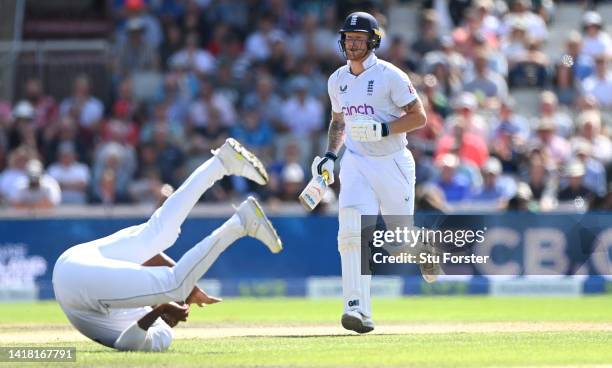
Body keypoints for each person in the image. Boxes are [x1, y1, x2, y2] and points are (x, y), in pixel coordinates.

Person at [52, 139, 282, 351]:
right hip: (73, 266)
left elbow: (127, 343)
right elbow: (151, 269)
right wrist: (170, 301)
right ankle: (221, 165)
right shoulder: (161, 333)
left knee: (169, 270)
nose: (174, 317)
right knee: (160, 235)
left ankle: (239, 217)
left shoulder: (150, 323)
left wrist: (172, 299)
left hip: (76, 284)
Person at [311, 12, 436, 335]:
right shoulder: (337, 79)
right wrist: (329, 155)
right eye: (348, 39)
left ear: (373, 41)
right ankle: (357, 309)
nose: (352, 44)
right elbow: (338, 121)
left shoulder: (389, 76)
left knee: (398, 242)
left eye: (359, 39)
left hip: (392, 161)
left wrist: (383, 129)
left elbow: (419, 117)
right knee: (352, 232)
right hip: (354, 162)